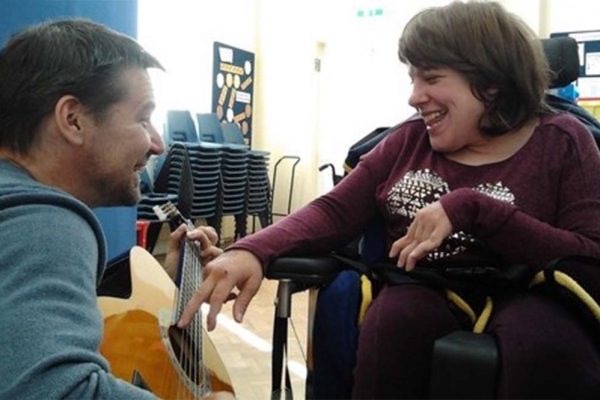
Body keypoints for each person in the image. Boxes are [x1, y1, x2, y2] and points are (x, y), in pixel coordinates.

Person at [180, 1, 600, 398]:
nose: (414, 96)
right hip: (422, 286)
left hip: (531, 290)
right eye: (413, 79)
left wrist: (474, 209)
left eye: (432, 79)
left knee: (547, 344)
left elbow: (588, 254)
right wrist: (253, 249)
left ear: (490, 84)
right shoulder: (406, 142)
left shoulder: (564, 142)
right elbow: (334, 211)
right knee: (393, 320)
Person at [0, 19, 223, 399]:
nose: (158, 144)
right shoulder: (46, 221)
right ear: (73, 120)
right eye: (143, 117)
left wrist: (167, 287)